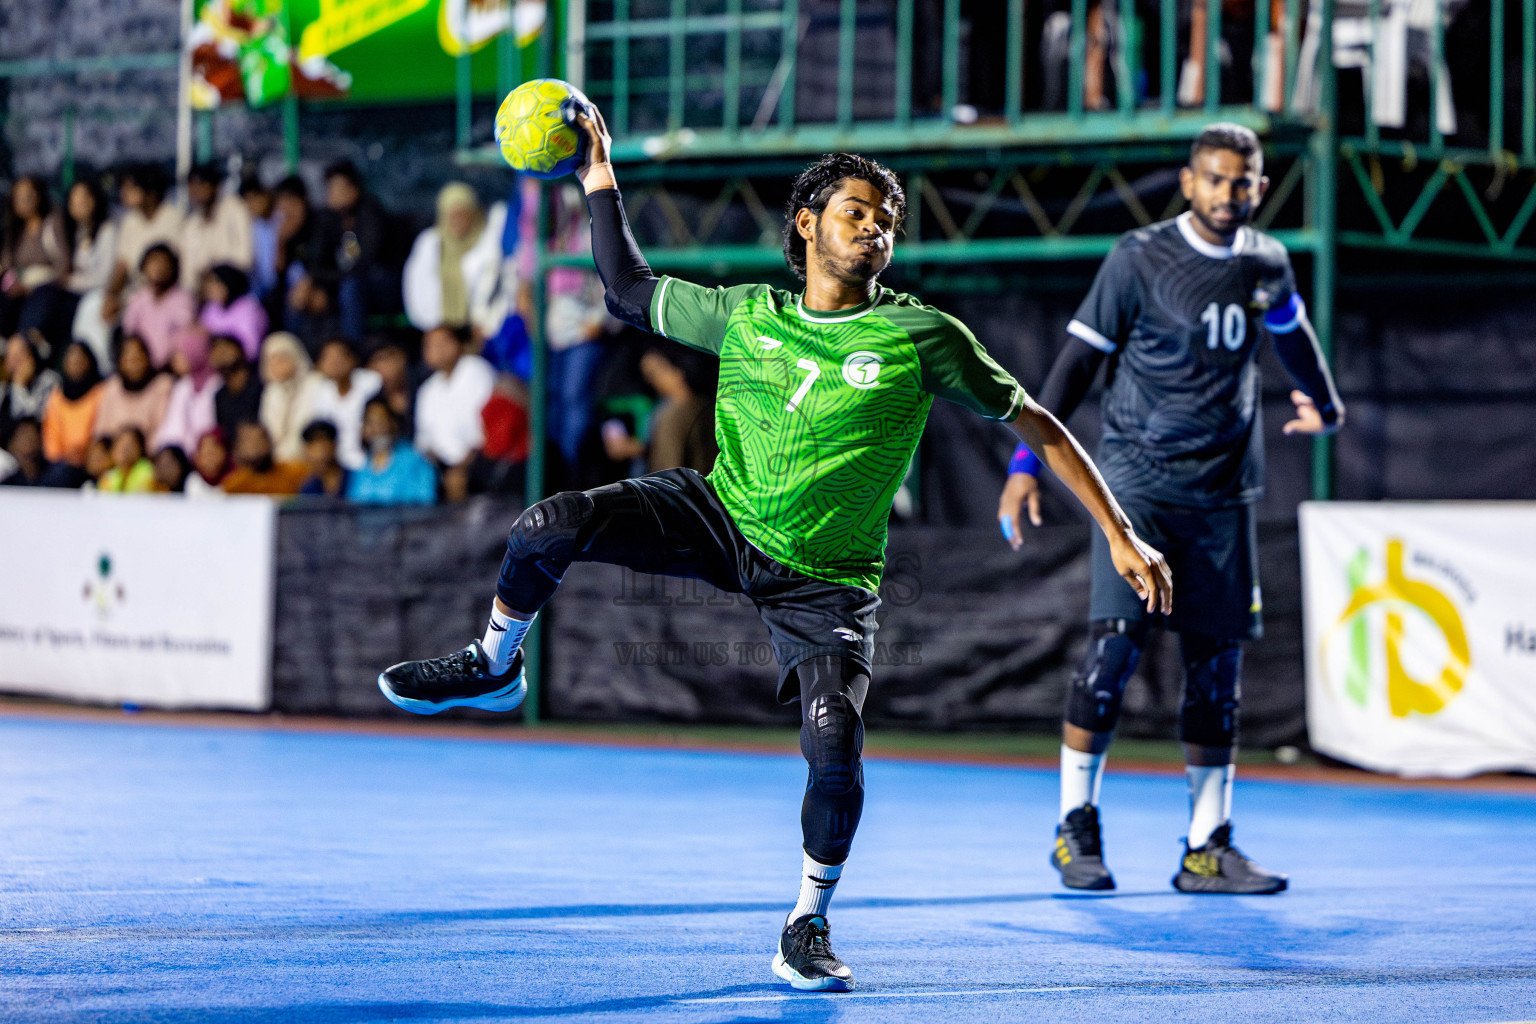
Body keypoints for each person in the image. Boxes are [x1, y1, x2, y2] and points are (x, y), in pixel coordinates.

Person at [378, 107, 1171, 993]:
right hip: (722, 513)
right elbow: (627, 291)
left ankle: (807, 922)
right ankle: (494, 663)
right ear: (808, 223)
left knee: (836, 744)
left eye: (887, 220)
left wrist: (1119, 529)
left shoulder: (924, 338)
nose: (875, 227)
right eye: (856, 211)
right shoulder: (748, 315)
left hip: (826, 581)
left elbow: (1043, 424)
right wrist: (597, 171)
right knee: (545, 525)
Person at [996, 124, 1344, 898]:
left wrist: (1324, 403)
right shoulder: (1138, 257)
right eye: (1215, 179)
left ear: (1258, 186)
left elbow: (1292, 334)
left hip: (1225, 497)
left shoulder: (1267, 261)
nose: (1230, 193)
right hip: (1137, 490)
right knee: (1114, 653)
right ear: (1190, 184)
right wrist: (1025, 466)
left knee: (1217, 672)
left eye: (1244, 181)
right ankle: (1074, 827)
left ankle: (1205, 848)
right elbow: (1076, 363)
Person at [292, 161, 397, 341]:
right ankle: (302, 349)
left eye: (338, 187)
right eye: (330, 187)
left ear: (354, 188)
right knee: (300, 287)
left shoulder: (370, 213)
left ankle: (352, 349)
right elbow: (316, 263)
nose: (332, 193)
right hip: (343, 282)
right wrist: (314, 283)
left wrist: (326, 284)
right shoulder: (326, 219)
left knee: (351, 288)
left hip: (380, 283)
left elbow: (364, 265)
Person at [402, 182, 507, 334]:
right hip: (442, 330)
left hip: (484, 328)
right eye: (452, 215)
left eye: (463, 214)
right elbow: (415, 286)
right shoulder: (429, 242)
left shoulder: (490, 237)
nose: (458, 221)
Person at [413, 324, 494, 489]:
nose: (437, 349)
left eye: (443, 342)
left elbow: (484, 431)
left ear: (458, 344)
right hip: (441, 467)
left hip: (480, 460)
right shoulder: (427, 389)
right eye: (431, 345)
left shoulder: (475, 369)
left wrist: (460, 469)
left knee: (457, 480)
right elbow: (424, 439)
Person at [104, 163, 184, 323]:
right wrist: (111, 296)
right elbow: (122, 265)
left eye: (130, 188)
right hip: (133, 291)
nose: (124, 193)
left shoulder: (173, 218)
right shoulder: (130, 221)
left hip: (164, 292)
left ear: (149, 190)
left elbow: (171, 268)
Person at [0, 176, 75, 349]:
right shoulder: (14, 231)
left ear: (39, 195)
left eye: (28, 195)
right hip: (18, 287)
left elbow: (64, 264)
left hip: (47, 286)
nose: (24, 201)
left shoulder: (52, 222)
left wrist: (32, 287)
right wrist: (13, 284)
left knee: (40, 301)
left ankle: (25, 347)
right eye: (18, 197)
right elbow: (6, 266)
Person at [62, 177, 120, 368]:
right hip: (77, 294)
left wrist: (69, 282)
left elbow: (104, 277)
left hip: (99, 292)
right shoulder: (76, 233)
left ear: (96, 199)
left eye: (84, 199)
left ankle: (99, 366)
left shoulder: (107, 230)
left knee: (92, 307)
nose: (80, 206)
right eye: (74, 201)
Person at [307, 337, 381, 469]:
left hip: (369, 461)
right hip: (337, 465)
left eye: (338, 356)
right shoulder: (322, 391)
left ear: (352, 359)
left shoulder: (371, 382)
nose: (333, 363)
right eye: (327, 358)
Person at [179, 161, 253, 291]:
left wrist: (215, 275)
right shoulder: (191, 224)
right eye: (192, 184)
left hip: (236, 290)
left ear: (216, 185)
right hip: (203, 294)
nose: (196, 189)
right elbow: (188, 275)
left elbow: (245, 259)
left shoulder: (235, 210)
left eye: (202, 183)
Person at [347, 397, 437, 505]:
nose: (376, 429)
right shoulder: (362, 469)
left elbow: (423, 503)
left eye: (380, 421)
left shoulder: (415, 461)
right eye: (370, 422)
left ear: (393, 423)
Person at [121, 244, 197, 369]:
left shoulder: (183, 299)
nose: (159, 267)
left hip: (170, 367)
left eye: (164, 262)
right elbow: (129, 334)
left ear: (173, 267)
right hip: (142, 368)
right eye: (154, 261)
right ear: (144, 267)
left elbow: (182, 336)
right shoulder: (137, 298)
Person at [93, 334, 173, 443]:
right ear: (120, 363)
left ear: (147, 358)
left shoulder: (162, 385)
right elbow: (101, 430)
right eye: (128, 360)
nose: (134, 365)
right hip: (115, 454)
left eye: (137, 358)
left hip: (148, 455)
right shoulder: (113, 386)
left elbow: (162, 430)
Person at [153, 328, 220, 455]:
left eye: (180, 353)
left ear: (194, 352)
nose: (175, 360)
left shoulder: (216, 385)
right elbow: (172, 426)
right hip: (182, 455)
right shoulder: (182, 386)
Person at [258, 331, 321, 462]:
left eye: (281, 359)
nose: (276, 366)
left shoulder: (315, 383)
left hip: (309, 458)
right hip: (278, 461)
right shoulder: (271, 391)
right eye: (271, 361)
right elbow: (269, 432)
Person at [41, 341, 104, 466]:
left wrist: (87, 453)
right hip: (62, 463)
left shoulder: (101, 393)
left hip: (93, 461)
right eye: (71, 358)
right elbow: (51, 443)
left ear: (90, 361)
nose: (76, 362)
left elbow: (103, 431)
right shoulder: (56, 398)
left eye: (80, 358)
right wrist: (65, 458)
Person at [198, 264, 268, 361]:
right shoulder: (211, 308)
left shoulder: (248, 307)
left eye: (216, 283)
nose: (210, 289)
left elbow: (251, 349)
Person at [1, 331, 60, 444]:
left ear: (31, 354)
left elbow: (31, 421)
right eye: (11, 355)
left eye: (19, 354)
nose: (15, 361)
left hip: (39, 445)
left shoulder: (49, 380)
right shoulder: (4, 388)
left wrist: (18, 386)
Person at [221, 420, 308, 495]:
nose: (255, 445)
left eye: (260, 439)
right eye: (248, 440)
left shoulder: (296, 473)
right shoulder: (233, 486)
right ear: (238, 447)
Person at [366, 339, 425, 440]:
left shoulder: (425, 386)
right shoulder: (374, 400)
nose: (378, 368)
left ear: (401, 358)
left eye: (383, 360)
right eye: (373, 363)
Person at [209, 334, 263, 442]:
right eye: (215, 349)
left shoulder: (260, 385)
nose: (220, 353)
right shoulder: (220, 396)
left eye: (225, 347)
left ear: (239, 349)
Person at [0, 416, 81, 487]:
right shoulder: (8, 481)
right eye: (22, 435)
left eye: (32, 433)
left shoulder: (59, 474)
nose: (29, 440)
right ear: (11, 444)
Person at [297, 419, 349, 497]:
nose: (319, 454)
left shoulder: (356, 480)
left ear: (334, 445)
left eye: (323, 445)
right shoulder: (308, 488)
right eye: (313, 447)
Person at [98, 426, 156, 493]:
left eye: (129, 445)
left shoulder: (147, 471)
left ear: (140, 449)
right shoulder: (109, 476)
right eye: (121, 444)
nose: (124, 450)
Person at [185, 429, 230, 498]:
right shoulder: (193, 481)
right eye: (206, 454)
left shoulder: (237, 480)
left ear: (224, 452)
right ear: (197, 457)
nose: (210, 458)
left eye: (213, 452)